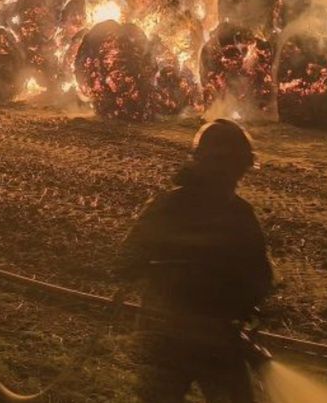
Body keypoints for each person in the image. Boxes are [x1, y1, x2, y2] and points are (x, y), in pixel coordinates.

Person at [117, 118, 273, 403]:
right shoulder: (240, 216)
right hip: (215, 341)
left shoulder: (166, 206)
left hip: (161, 335)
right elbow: (261, 280)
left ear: (197, 160)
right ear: (240, 169)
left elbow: (124, 262)